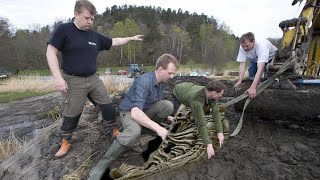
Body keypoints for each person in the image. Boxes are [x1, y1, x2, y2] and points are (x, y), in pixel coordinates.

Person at [46, 0, 143, 158]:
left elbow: (114, 41)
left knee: (108, 106)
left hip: (93, 79)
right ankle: (66, 142)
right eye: (86, 18)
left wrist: (130, 38)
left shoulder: (94, 36)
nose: (90, 22)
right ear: (76, 14)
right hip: (73, 80)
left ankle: (112, 130)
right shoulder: (64, 30)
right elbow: (51, 52)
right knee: (72, 114)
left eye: (92, 19)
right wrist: (58, 78)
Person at [87, 53, 178, 180]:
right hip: (129, 111)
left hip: (144, 111)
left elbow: (154, 103)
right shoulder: (144, 81)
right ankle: (102, 165)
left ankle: (146, 129)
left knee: (167, 106)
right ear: (161, 69)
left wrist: (169, 118)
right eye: (170, 73)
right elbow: (135, 112)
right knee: (133, 132)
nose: (172, 76)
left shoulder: (161, 83)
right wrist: (158, 128)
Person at [172, 80, 226, 159]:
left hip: (189, 88)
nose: (221, 96)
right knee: (178, 118)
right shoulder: (196, 101)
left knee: (199, 110)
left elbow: (216, 112)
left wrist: (220, 132)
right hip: (178, 91)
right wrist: (209, 145)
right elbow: (201, 124)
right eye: (220, 94)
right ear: (214, 93)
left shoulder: (209, 93)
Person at [234, 32, 278, 99]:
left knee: (267, 74)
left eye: (246, 45)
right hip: (255, 58)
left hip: (271, 57)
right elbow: (242, 64)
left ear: (253, 42)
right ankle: (256, 82)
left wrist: (253, 88)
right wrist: (240, 80)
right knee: (251, 74)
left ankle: (264, 87)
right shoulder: (243, 45)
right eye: (243, 46)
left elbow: (260, 68)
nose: (244, 48)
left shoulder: (262, 46)